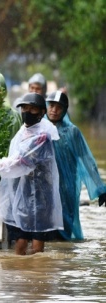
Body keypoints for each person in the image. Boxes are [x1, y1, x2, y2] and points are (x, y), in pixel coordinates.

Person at [0, 93, 63, 255]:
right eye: (25, 108)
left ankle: (37, 278)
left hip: (41, 196)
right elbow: (13, 157)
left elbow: (20, 161)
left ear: (42, 112)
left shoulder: (42, 136)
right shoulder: (23, 131)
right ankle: (19, 278)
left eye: (32, 109)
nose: (27, 112)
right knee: (20, 241)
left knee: (37, 246)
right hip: (22, 195)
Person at [45, 90, 106, 241]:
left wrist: (100, 188)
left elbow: (87, 161)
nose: (54, 110)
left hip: (67, 188)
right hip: (45, 186)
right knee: (46, 227)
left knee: (65, 225)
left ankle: (65, 256)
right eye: (51, 105)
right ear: (46, 106)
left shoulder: (73, 132)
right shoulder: (39, 129)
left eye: (59, 107)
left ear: (65, 109)